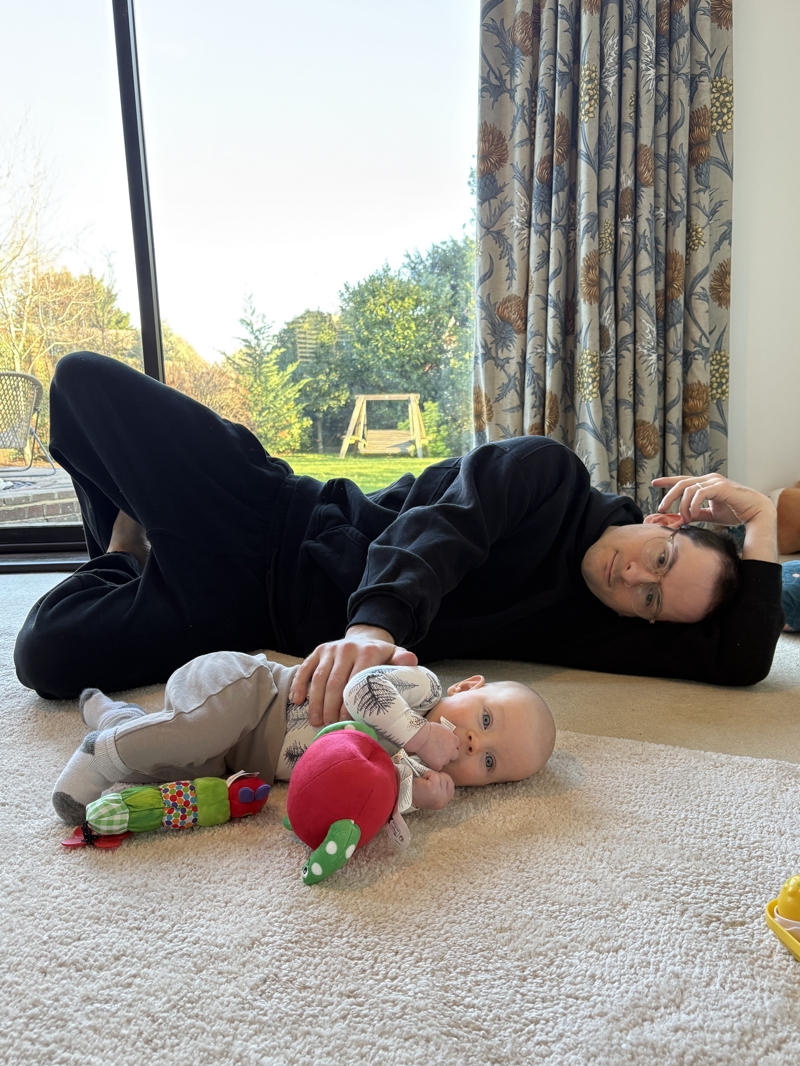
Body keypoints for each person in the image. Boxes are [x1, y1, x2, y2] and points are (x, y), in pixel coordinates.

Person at [14, 352, 783, 712]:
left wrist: (763, 520)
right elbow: (445, 526)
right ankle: (144, 526)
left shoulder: (600, 619)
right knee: (82, 384)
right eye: (659, 559)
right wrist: (373, 626)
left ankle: (123, 556)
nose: (635, 580)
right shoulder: (548, 475)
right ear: (663, 519)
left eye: (651, 600)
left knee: (44, 656)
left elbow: (744, 659)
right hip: (270, 519)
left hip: (243, 618)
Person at [51, 653, 556, 828]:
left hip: (244, 756)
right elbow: (362, 691)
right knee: (191, 733)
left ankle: (115, 720)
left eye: (490, 762)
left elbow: (359, 795)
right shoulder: (423, 688)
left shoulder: (417, 770)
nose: (472, 743)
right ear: (466, 687)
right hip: (253, 693)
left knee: (171, 766)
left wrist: (411, 797)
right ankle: (99, 755)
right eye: (485, 720)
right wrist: (422, 734)